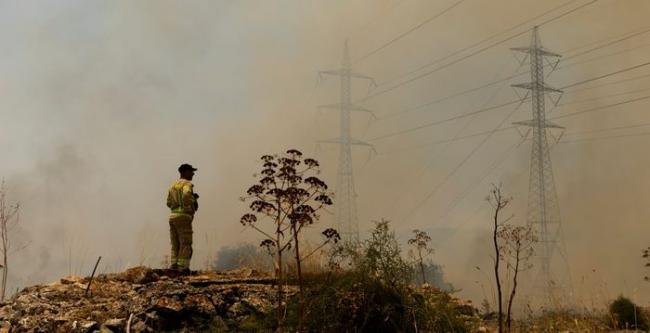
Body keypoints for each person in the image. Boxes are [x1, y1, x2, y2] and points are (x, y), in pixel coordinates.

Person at [166, 163, 199, 272]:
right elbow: (186, 195)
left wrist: (177, 205)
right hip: (184, 216)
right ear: (184, 172)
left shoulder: (172, 185)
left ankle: (174, 265)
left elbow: (168, 203)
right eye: (191, 171)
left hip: (172, 216)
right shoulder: (187, 184)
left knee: (175, 243)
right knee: (185, 243)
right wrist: (192, 200)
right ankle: (183, 268)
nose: (193, 173)